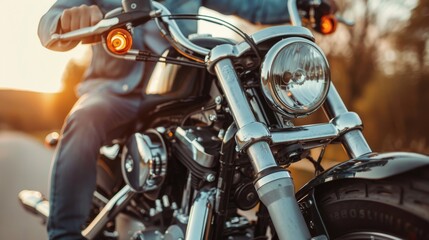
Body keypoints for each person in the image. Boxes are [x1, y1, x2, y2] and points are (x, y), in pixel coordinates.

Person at [38, 0, 292, 239]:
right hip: (115, 93)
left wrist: (304, 3)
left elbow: (255, 5)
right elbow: (49, 23)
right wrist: (66, 21)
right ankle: (64, 233)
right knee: (84, 120)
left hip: (175, 95)